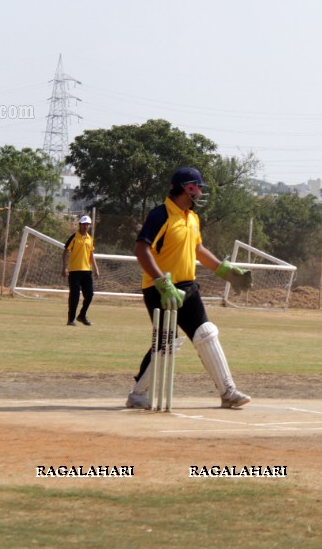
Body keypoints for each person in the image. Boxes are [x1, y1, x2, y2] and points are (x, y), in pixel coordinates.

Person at [125, 167, 254, 410]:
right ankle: (138, 394)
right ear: (188, 188)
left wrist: (225, 271)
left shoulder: (192, 217)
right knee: (168, 343)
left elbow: (198, 250)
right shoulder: (160, 215)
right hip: (159, 288)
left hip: (187, 286)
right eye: (199, 187)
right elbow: (141, 250)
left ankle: (228, 391)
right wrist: (162, 282)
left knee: (207, 333)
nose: (201, 192)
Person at [62, 215, 100, 326]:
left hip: (87, 271)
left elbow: (91, 254)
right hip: (74, 271)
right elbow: (65, 252)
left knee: (90, 294)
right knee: (74, 296)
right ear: (80, 225)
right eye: (83, 224)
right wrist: (64, 267)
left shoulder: (90, 239)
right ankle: (71, 319)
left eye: (87, 224)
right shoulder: (74, 237)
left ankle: (82, 315)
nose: (85, 226)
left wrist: (96, 268)